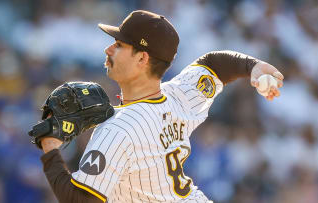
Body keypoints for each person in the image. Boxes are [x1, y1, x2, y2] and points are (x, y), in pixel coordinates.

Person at [39, 10, 283, 203]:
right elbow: (215, 64)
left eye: (120, 45)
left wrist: (50, 146)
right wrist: (253, 65)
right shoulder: (180, 95)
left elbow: (80, 200)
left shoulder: (118, 129)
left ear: (142, 58)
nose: (108, 49)